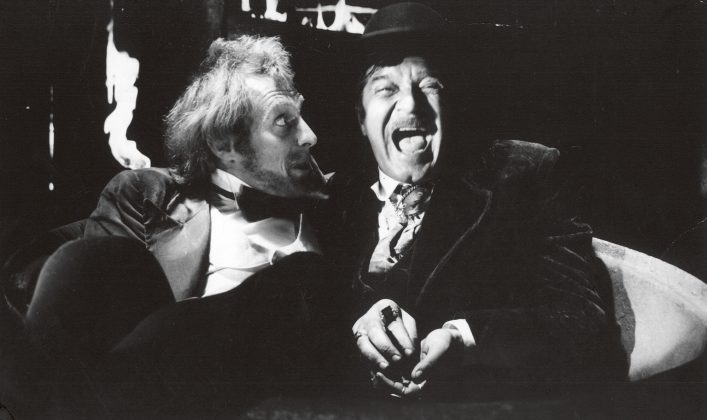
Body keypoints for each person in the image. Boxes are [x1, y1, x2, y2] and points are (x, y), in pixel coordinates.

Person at [1, 35, 347, 417]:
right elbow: (97, 331)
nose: (309, 136)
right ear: (224, 144)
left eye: (301, 115)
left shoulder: (345, 202)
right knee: (83, 261)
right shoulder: (148, 197)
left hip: (284, 381)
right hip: (163, 392)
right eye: (284, 122)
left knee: (298, 278)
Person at [324, 2, 626, 399]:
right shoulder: (330, 199)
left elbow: (582, 320)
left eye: (429, 85)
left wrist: (463, 338)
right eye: (386, 88)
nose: (411, 104)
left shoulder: (522, 174)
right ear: (362, 119)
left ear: (451, 103)